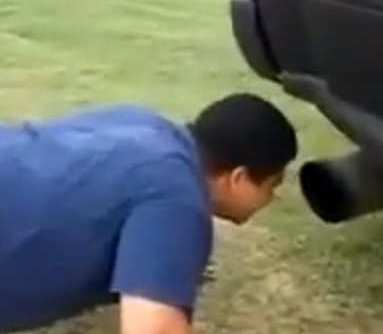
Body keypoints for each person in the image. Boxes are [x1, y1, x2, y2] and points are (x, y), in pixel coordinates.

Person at [0, 93, 298, 334]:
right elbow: (153, 328)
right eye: (272, 185)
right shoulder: (178, 199)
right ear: (239, 178)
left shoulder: (140, 121)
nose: (272, 198)